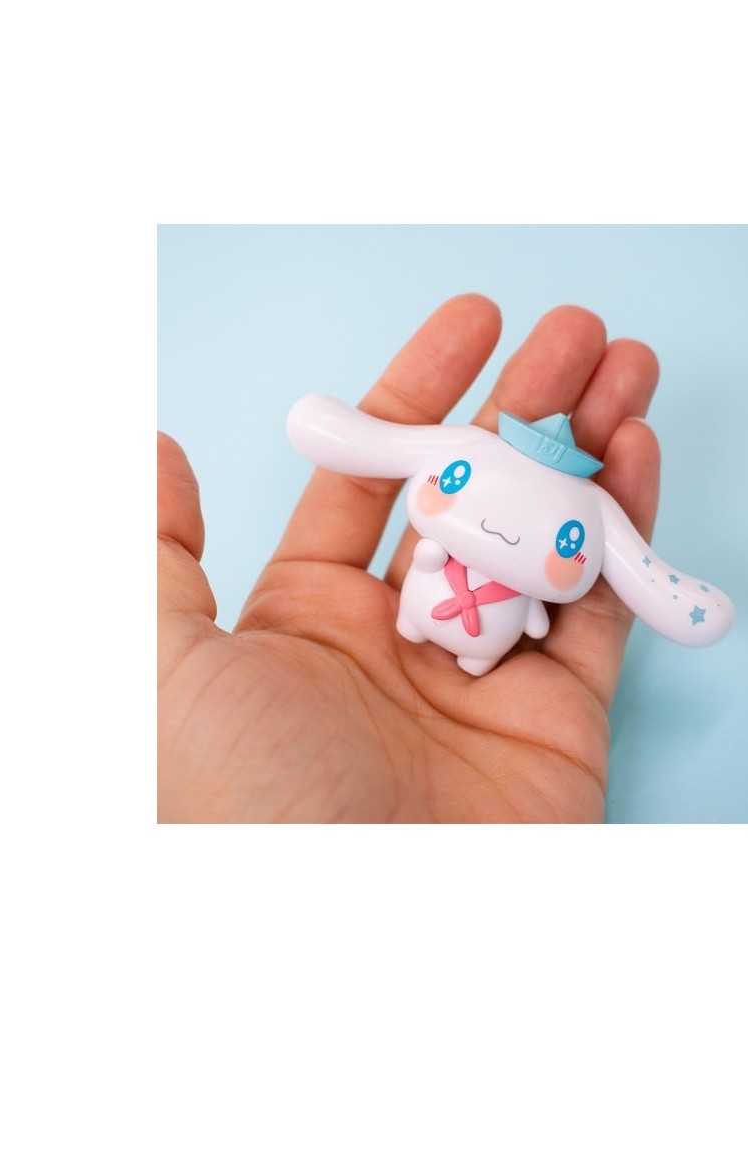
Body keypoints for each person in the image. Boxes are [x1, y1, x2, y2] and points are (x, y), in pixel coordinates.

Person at [158, 294, 661, 822]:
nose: (498, 528)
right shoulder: (476, 478)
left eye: (566, 541)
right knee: (423, 608)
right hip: (426, 619)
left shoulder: (565, 503)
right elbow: (466, 577)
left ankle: (469, 652)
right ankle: (420, 625)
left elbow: (536, 614)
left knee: (466, 625)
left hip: (484, 649)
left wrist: (531, 613)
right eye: (459, 482)